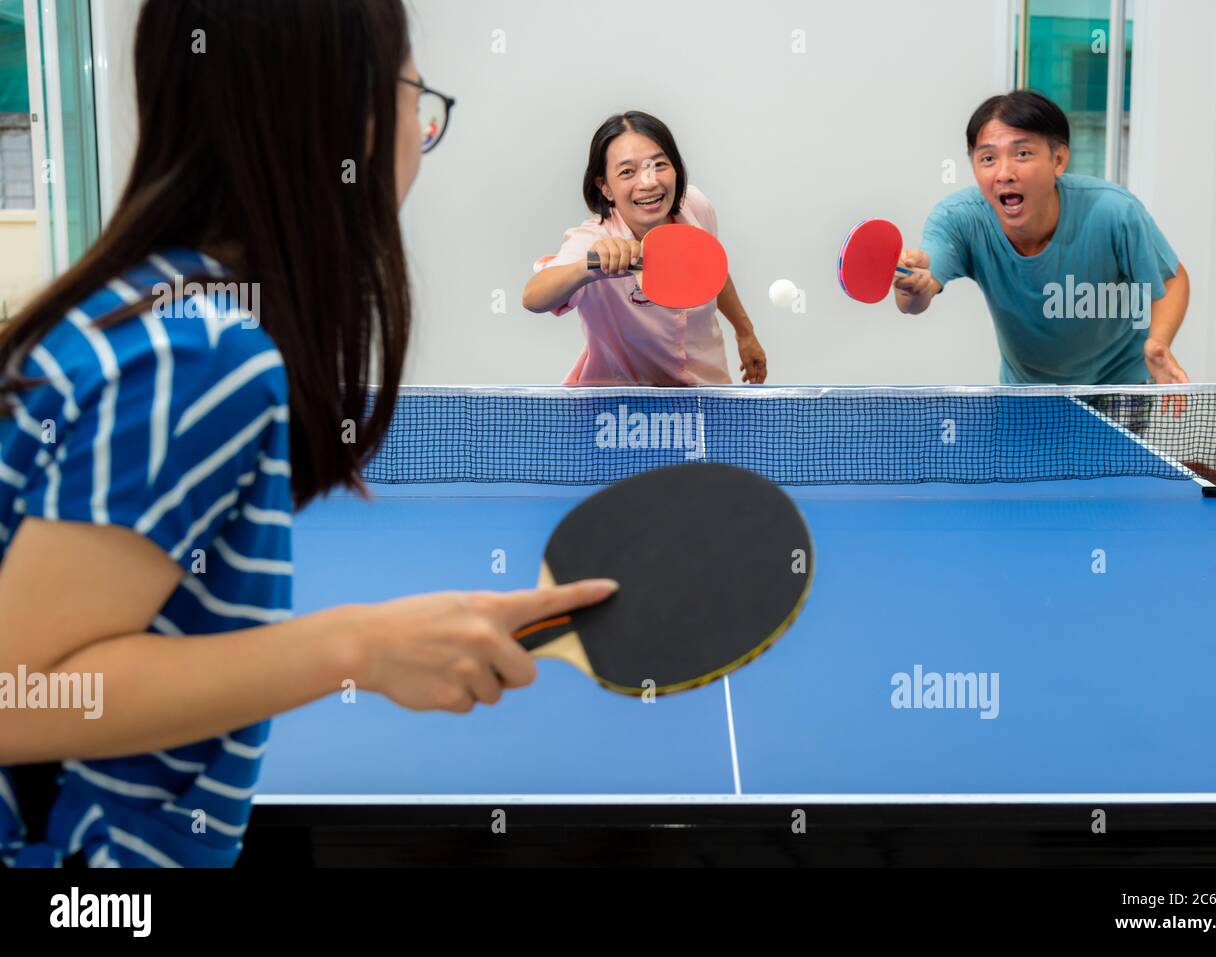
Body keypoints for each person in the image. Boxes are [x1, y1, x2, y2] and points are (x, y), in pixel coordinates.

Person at [0, 0, 614, 869]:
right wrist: (358, 647)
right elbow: (12, 696)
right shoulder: (201, 351)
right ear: (347, 114)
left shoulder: (151, 305)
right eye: (415, 95)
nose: (419, 132)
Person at [894, 90, 1190, 386]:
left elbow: (1171, 279)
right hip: (1027, 391)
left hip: (1119, 382)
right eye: (987, 158)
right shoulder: (959, 219)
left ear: (1058, 160)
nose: (1004, 173)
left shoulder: (1114, 211)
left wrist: (1159, 342)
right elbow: (918, 295)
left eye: (1022, 154)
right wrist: (912, 288)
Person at [523, 111, 767, 386]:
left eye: (659, 165)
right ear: (605, 187)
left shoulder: (696, 207)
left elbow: (712, 271)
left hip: (707, 395)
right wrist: (590, 268)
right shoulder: (594, 240)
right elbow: (533, 297)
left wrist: (745, 332)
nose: (648, 182)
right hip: (620, 412)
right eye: (627, 171)